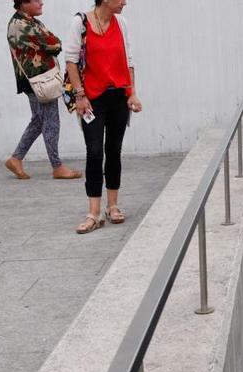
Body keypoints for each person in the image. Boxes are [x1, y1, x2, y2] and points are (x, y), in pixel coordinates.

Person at [65, 0, 141, 234]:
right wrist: (79, 95)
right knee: (94, 152)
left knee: (114, 151)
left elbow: (128, 61)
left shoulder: (121, 22)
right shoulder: (81, 22)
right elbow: (71, 61)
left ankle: (113, 205)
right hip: (91, 99)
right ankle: (93, 213)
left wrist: (132, 93)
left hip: (118, 97)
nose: (125, 2)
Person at [6, 0, 82, 180]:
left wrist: (51, 41)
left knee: (39, 121)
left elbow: (52, 43)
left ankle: (16, 158)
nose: (42, 3)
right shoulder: (22, 25)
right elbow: (54, 44)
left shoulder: (30, 21)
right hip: (39, 81)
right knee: (51, 121)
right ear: (24, 3)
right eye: (36, 0)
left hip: (36, 80)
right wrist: (52, 41)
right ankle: (57, 167)